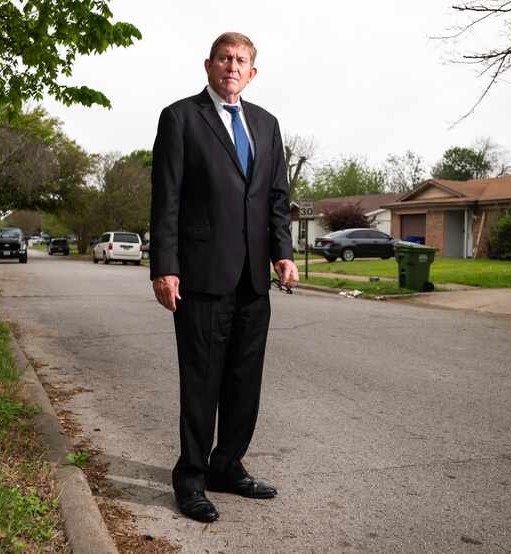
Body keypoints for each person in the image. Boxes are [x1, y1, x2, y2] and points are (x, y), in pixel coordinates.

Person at [149, 31, 299, 523]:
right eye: (224, 58)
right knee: (201, 381)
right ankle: (190, 477)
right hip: (201, 275)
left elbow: (276, 198)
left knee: (243, 380)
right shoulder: (180, 118)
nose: (232, 66)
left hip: (253, 280)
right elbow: (166, 199)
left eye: (241, 61)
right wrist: (165, 266)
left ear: (252, 72)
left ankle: (226, 465)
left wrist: (283, 253)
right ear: (208, 65)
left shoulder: (266, 123)